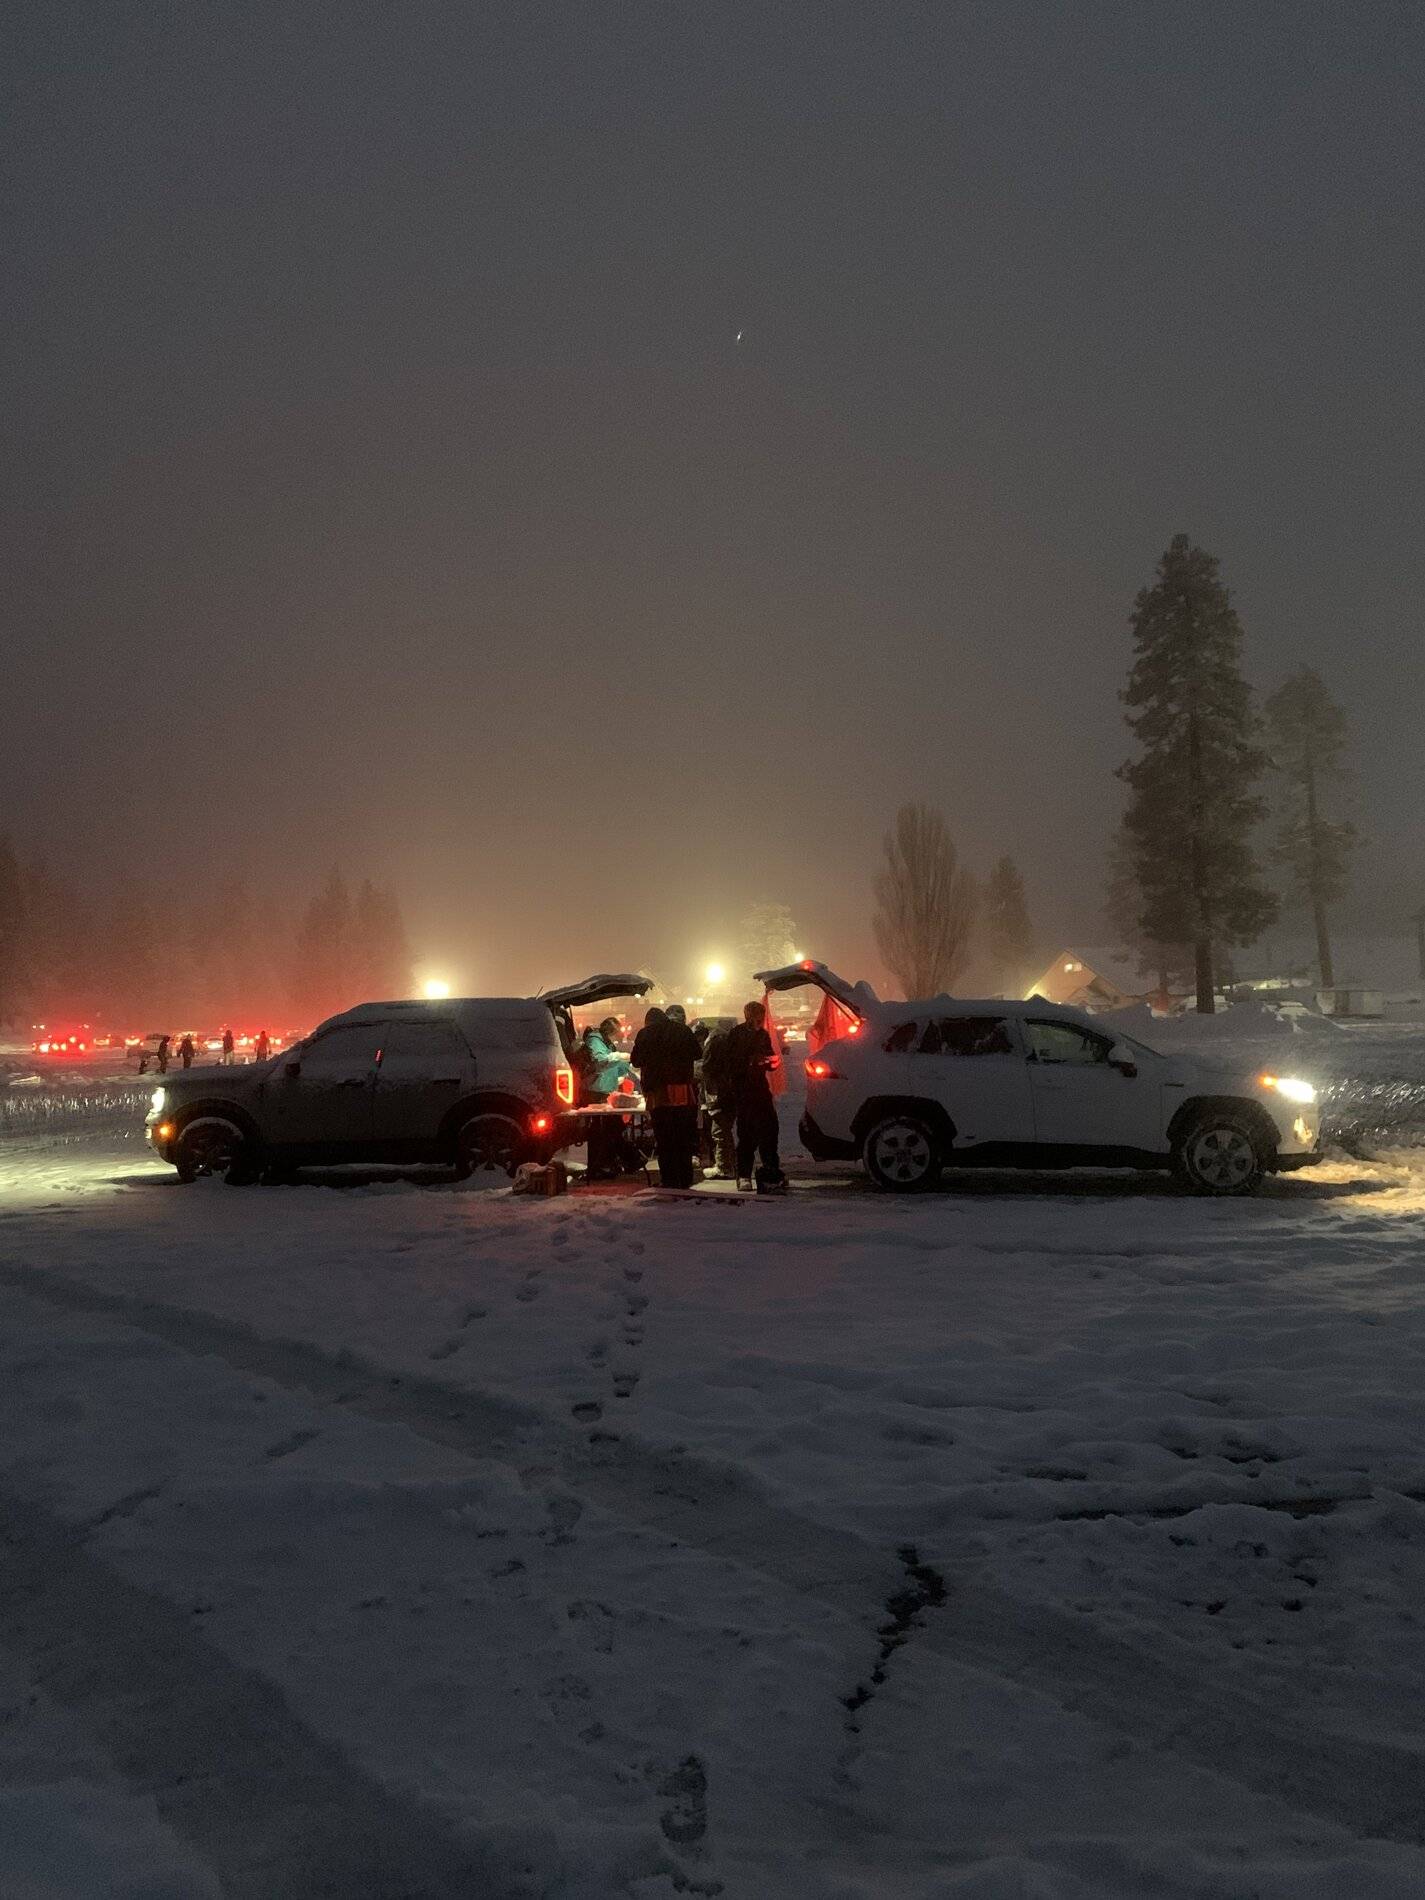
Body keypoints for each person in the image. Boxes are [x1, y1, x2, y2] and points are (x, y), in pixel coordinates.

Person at [632, 1006, 700, 1189]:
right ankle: (685, 1178)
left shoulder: (645, 1034)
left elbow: (636, 1060)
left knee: (665, 1139)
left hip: (658, 1093)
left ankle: (669, 1179)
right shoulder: (683, 1030)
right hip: (683, 1091)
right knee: (683, 1137)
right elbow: (697, 1053)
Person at [724, 1000, 785, 1192]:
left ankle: (770, 1171)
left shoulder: (762, 1035)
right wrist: (750, 1062)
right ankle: (744, 1175)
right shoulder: (736, 1035)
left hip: (759, 1089)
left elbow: (769, 1057)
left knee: (769, 1131)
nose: (760, 1020)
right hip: (744, 1091)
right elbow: (730, 1063)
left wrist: (770, 1061)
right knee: (747, 1134)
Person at [698, 1018, 738, 1180]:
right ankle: (729, 1164)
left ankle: (724, 1167)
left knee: (719, 1131)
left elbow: (707, 1070)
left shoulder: (715, 1044)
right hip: (726, 1093)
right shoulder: (723, 1042)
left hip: (719, 1094)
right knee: (722, 1130)